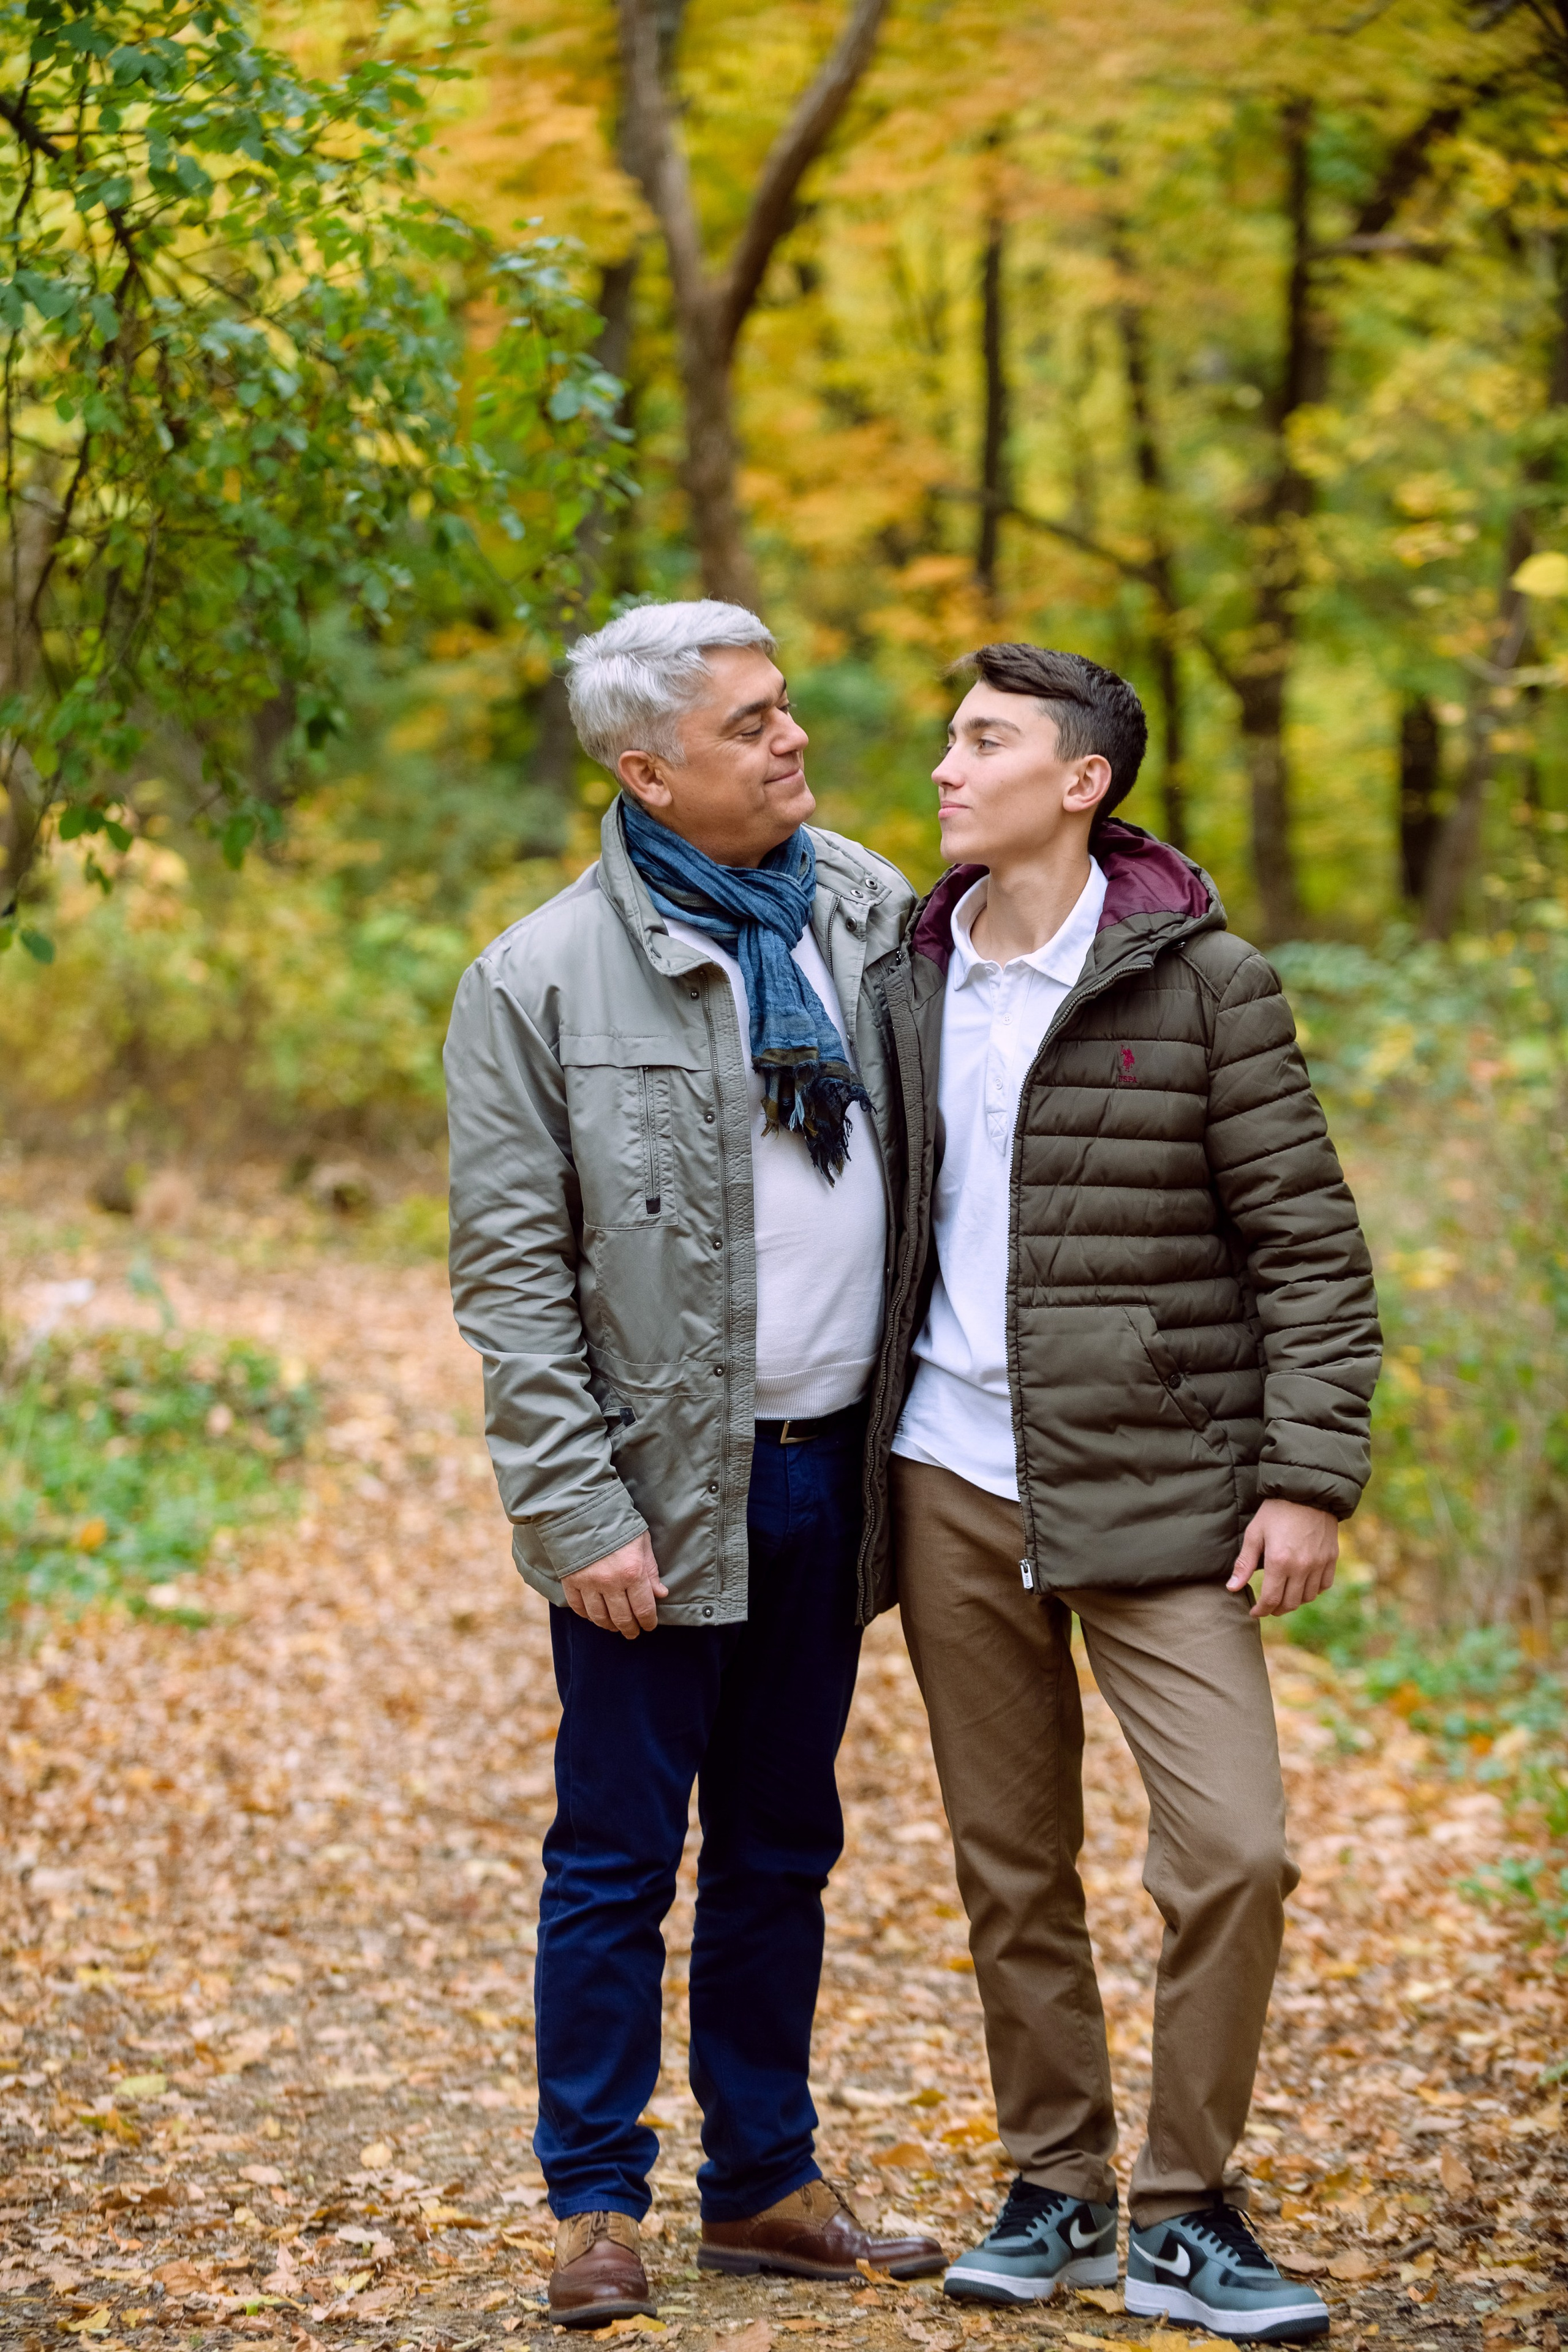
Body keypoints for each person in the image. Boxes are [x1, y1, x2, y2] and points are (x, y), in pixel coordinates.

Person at [867, 644, 1381, 2341]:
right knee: (1010, 1868)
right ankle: (1056, 2185)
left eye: (986, 742)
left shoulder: (1208, 981)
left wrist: (1307, 1478)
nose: (947, 767)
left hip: (1164, 1486)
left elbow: (1309, 1247)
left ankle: (1187, 2208)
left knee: (1235, 1850)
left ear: (1082, 780)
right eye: (951, 738)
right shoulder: (906, 973)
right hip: (954, 1475)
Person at [443, 600, 943, 2328]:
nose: (792, 738)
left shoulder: (875, 911)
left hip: (841, 1468)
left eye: (788, 707)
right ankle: (595, 2202)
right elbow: (513, 1278)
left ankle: (767, 2185)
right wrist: (577, 1508)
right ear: (649, 772)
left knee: (786, 1843)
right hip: (659, 1489)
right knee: (614, 1858)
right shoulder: (534, 977)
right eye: (750, 725)